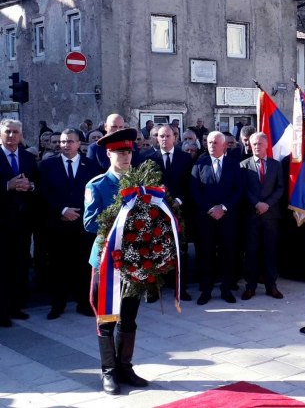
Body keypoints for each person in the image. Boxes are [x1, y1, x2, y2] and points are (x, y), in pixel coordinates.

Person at [83, 128, 148, 395]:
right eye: (120, 152)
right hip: (107, 261)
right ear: (109, 154)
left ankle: (125, 367)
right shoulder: (97, 185)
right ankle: (108, 372)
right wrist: (120, 221)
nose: (125, 156)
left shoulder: (141, 182)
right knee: (107, 318)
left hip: (133, 260)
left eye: (129, 151)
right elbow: (88, 223)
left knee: (129, 318)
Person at [39, 129, 99, 319]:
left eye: (70, 141)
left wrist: (79, 214)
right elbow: (44, 193)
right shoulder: (48, 165)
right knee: (58, 266)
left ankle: (84, 303)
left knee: (83, 266)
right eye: (63, 142)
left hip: (83, 225)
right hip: (58, 224)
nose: (65, 145)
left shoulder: (90, 165)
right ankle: (58, 304)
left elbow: (93, 193)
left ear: (79, 144)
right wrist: (62, 210)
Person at [190, 132, 242, 304]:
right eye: (209, 142)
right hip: (206, 218)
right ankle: (206, 290)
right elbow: (195, 190)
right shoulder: (199, 163)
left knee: (228, 253)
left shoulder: (234, 165)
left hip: (228, 218)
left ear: (224, 145)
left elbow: (238, 190)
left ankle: (226, 289)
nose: (211, 145)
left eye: (215, 143)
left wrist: (224, 207)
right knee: (206, 254)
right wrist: (210, 208)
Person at [145, 125, 194, 301]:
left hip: (178, 209)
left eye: (167, 136)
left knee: (179, 250)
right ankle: (153, 288)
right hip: (155, 211)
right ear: (156, 138)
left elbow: (190, 184)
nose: (164, 139)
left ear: (175, 137)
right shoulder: (148, 159)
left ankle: (181, 288)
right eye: (160, 136)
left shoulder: (185, 158)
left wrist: (179, 201)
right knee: (153, 249)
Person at [0, 119, 38, 328]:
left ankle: (17, 307)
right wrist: (8, 185)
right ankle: (2, 312)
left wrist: (30, 186)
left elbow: (38, 184)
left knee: (20, 265)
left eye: (16, 132)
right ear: (1, 134)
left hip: (23, 223)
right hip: (2, 223)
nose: (12, 136)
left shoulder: (27, 158)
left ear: (21, 135)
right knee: (2, 267)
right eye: (8, 132)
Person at [240, 132, 285, 300]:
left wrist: (267, 204)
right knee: (251, 252)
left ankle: (271, 286)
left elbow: (280, 188)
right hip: (251, 216)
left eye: (260, 143)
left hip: (271, 215)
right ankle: (250, 286)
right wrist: (256, 204)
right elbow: (243, 189)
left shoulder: (276, 165)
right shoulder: (243, 165)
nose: (257, 146)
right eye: (254, 144)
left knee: (270, 251)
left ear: (266, 145)